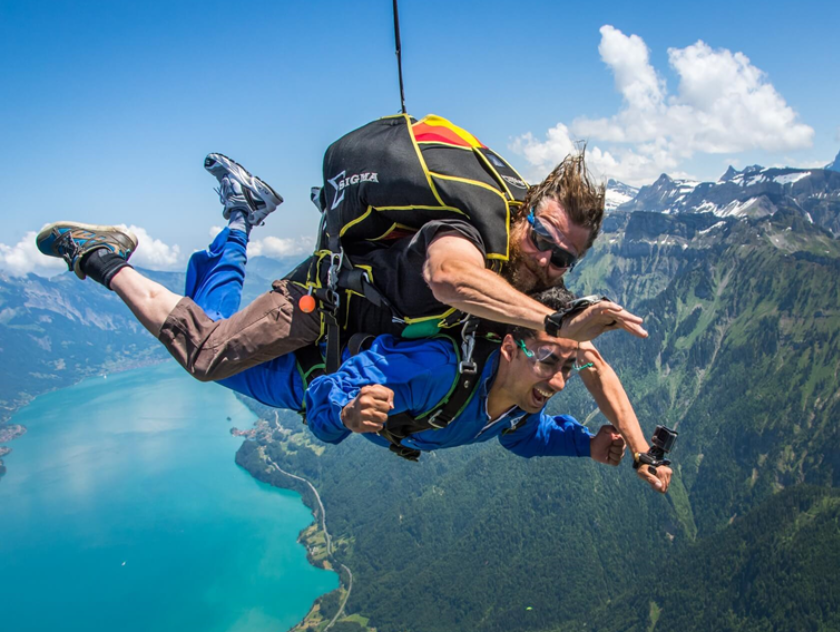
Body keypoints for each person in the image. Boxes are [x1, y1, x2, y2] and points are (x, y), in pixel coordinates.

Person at [36, 123, 670, 491]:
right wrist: (342, 410)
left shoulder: (522, 352)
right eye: (541, 239)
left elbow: (559, 393)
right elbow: (449, 278)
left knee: (215, 317)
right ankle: (101, 259)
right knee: (207, 352)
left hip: (360, 331)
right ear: (522, 212)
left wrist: (616, 447)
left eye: (565, 260)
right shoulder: (465, 257)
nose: (547, 261)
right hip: (318, 326)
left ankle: (237, 219)